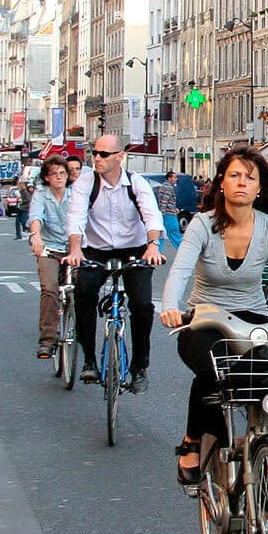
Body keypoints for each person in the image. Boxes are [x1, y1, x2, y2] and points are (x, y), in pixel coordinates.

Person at [160, 148, 268, 484]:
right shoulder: (202, 224)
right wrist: (171, 307)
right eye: (234, 176)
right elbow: (181, 270)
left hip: (253, 319)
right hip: (206, 319)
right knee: (214, 371)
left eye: (250, 177)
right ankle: (193, 440)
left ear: (259, 188)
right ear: (222, 184)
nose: (242, 183)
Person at [65, 135, 165, 393]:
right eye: (94, 153)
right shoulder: (85, 183)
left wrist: (153, 246)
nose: (96, 158)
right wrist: (76, 249)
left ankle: (140, 367)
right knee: (83, 292)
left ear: (120, 156)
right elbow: (76, 217)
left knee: (142, 304)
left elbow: (152, 216)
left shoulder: (136, 183)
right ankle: (89, 358)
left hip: (135, 249)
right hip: (95, 250)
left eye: (103, 154)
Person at [27, 156, 72, 359]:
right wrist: (36, 236)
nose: (59, 177)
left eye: (62, 173)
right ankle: (48, 340)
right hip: (50, 247)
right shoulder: (41, 194)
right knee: (49, 289)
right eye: (54, 173)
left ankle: (80, 329)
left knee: (85, 287)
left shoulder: (76, 194)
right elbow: (36, 217)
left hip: (74, 248)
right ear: (47, 177)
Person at [155, 170, 183, 250]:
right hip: (169, 216)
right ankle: (184, 252)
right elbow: (164, 201)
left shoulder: (162, 186)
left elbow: (163, 201)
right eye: (175, 177)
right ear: (169, 178)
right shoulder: (169, 188)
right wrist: (164, 214)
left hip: (165, 214)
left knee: (161, 236)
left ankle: (157, 252)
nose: (176, 179)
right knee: (176, 235)